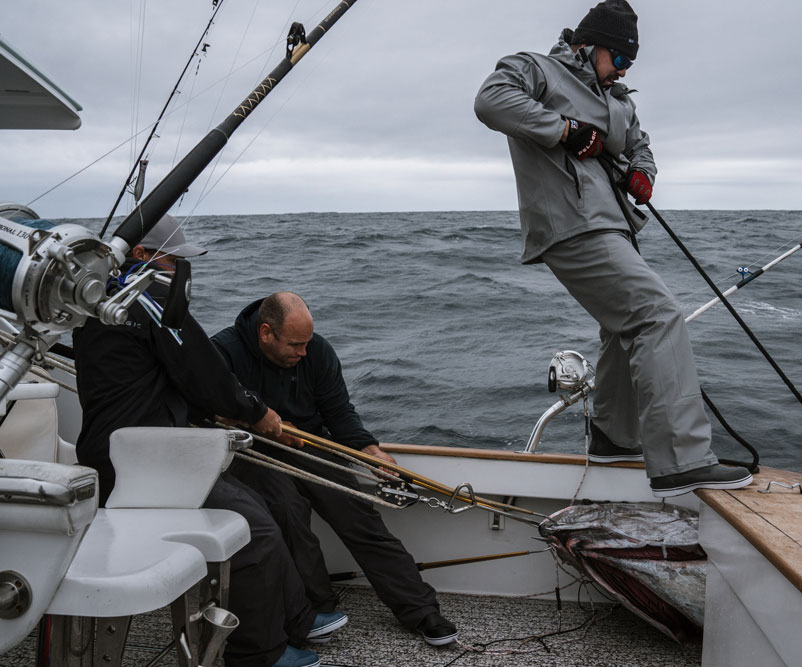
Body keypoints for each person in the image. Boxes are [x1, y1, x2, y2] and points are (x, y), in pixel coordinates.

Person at [473, 0, 752, 497]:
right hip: (570, 226)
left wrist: (644, 172)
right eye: (618, 59)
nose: (623, 69)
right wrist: (564, 129)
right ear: (589, 44)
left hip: (615, 228)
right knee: (657, 315)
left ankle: (613, 438)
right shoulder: (537, 68)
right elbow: (491, 100)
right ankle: (682, 462)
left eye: (629, 63)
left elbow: (639, 144)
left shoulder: (619, 100)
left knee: (625, 327)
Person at [74, 214, 346, 667]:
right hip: (140, 466)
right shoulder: (145, 299)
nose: (181, 270)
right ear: (140, 256)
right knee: (253, 530)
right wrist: (257, 413)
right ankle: (260, 653)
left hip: (139, 452)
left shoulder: (104, 302)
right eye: (175, 260)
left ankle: (297, 618)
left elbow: (166, 373)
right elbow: (203, 370)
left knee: (263, 505)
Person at [211, 292, 458, 646]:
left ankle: (419, 609)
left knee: (357, 512)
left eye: (308, 342)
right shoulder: (222, 352)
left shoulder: (317, 352)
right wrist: (253, 421)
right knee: (289, 511)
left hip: (310, 443)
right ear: (266, 333)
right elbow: (207, 409)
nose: (304, 353)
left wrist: (372, 454)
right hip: (251, 452)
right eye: (296, 345)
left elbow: (339, 412)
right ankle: (317, 608)